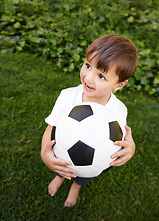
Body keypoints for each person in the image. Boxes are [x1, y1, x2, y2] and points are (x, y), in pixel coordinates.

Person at [41, 33, 138, 207]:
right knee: (61, 165)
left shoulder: (118, 110)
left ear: (119, 85)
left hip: (95, 161)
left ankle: (76, 186)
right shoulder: (67, 96)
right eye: (87, 65)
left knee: (85, 176)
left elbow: (121, 139)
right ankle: (60, 176)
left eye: (101, 76)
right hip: (63, 152)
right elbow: (51, 127)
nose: (88, 77)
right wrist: (44, 152)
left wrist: (130, 148)